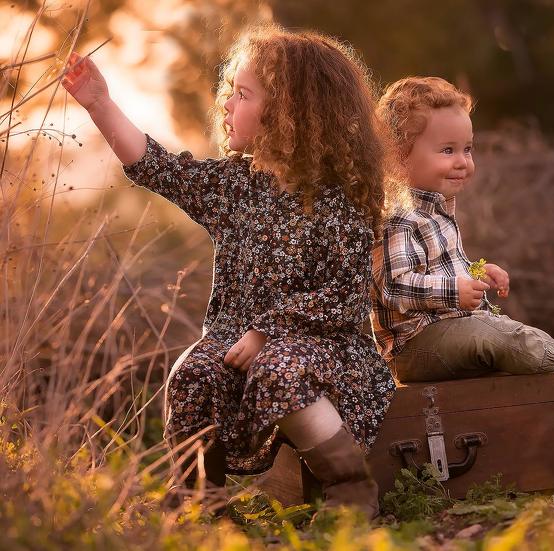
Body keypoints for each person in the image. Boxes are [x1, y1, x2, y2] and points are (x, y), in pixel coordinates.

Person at [61, 24, 395, 518]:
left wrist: (268, 331)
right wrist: (100, 105)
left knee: (280, 369)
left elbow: (342, 299)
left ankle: (350, 488)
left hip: (328, 353)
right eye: (230, 91)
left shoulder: (339, 201)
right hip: (244, 348)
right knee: (193, 371)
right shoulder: (236, 187)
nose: (226, 104)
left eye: (243, 94)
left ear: (290, 115)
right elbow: (158, 167)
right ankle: (201, 501)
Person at [371, 76, 554, 445]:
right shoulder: (399, 218)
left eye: (467, 149)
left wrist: (479, 272)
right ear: (399, 156)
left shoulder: (437, 212)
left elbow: (441, 268)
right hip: (417, 347)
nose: (462, 162)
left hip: (450, 333)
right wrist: (455, 291)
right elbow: (395, 286)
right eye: (447, 150)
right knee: (501, 337)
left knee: (506, 342)